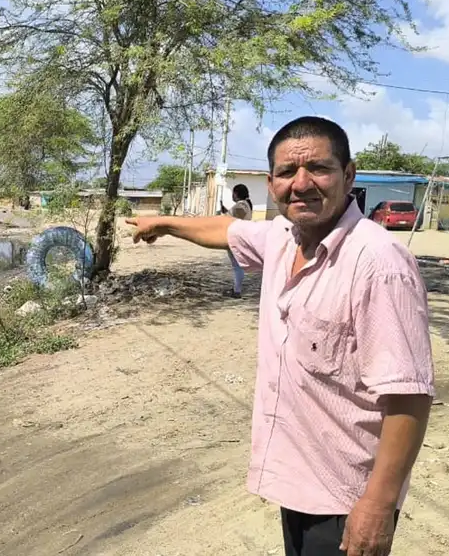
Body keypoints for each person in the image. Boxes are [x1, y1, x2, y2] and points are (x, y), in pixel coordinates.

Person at [125, 116, 433, 556]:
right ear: (272, 183)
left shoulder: (379, 264)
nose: (302, 183)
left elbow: (409, 396)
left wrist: (378, 505)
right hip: (298, 482)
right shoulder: (285, 238)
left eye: (319, 169)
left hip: (347, 496)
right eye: (288, 172)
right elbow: (226, 232)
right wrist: (164, 224)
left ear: (349, 175)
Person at [221, 184, 253, 297]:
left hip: (237, 238)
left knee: (237, 266)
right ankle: (236, 288)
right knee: (237, 265)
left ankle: (237, 291)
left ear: (236, 193)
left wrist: (225, 215)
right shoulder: (244, 205)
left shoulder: (241, 205)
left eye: (233, 193)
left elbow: (235, 219)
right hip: (240, 237)